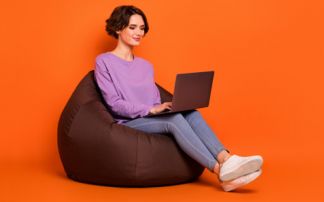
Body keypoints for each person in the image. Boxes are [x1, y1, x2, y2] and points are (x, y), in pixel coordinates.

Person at [94, 5, 263, 192]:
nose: (139, 33)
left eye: (142, 28)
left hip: (150, 117)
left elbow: (153, 98)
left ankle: (226, 159)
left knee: (192, 113)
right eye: (132, 27)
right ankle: (220, 171)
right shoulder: (104, 62)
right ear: (118, 28)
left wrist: (164, 106)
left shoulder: (146, 66)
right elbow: (114, 104)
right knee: (174, 121)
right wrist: (151, 109)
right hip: (128, 121)